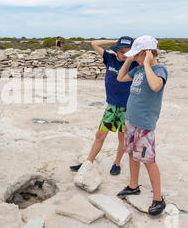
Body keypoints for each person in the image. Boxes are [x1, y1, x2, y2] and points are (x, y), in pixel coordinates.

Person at [70, 37, 138, 175]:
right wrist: (114, 41)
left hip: (128, 108)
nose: (124, 54)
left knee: (122, 138)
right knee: (100, 135)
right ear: (117, 50)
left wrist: (133, 54)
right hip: (112, 107)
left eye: (127, 51)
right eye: (121, 51)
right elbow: (94, 44)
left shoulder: (134, 65)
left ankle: (116, 163)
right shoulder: (110, 59)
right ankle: (88, 162)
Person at [116, 35, 168, 216]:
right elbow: (120, 78)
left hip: (144, 124)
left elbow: (155, 86)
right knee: (131, 153)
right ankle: (133, 185)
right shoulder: (137, 70)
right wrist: (129, 60)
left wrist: (146, 63)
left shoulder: (159, 70)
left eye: (137, 54)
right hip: (131, 120)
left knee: (148, 161)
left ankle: (158, 199)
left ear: (147, 53)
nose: (135, 58)